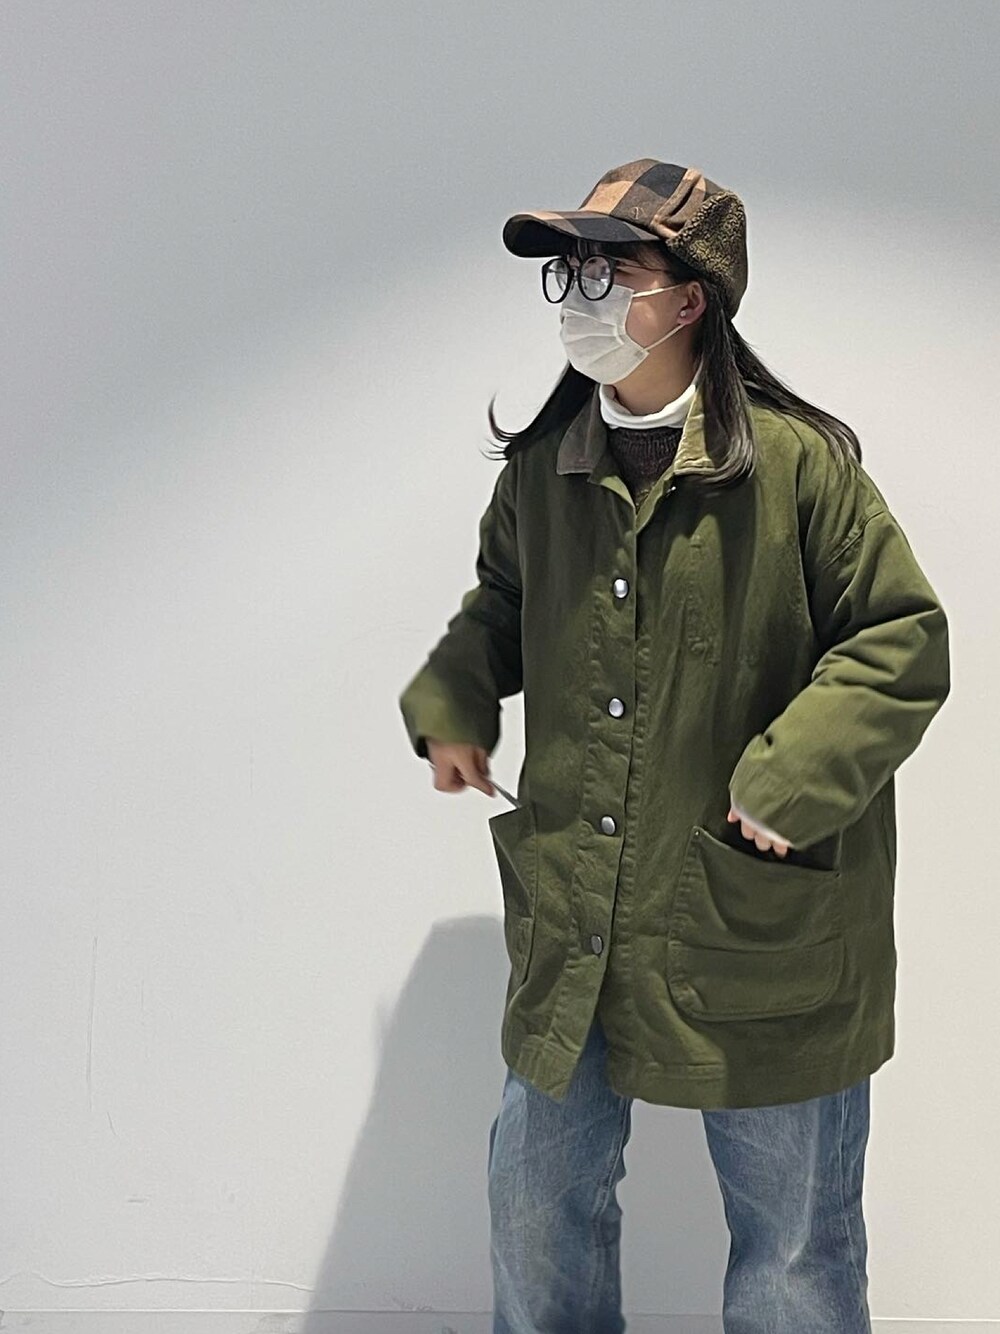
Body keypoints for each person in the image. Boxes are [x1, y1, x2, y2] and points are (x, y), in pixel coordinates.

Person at [397, 158, 951, 1332]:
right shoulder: (546, 468)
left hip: (760, 919)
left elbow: (899, 637)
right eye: (568, 269)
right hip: (580, 913)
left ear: (689, 296)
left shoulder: (799, 468)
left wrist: (791, 779)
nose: (579, 294)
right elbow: (503, 600)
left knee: (792, 1253)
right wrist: (453, 695)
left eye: (611, 269)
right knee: (534, 1205)